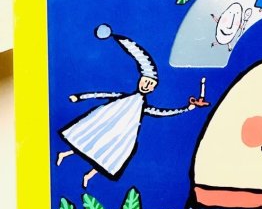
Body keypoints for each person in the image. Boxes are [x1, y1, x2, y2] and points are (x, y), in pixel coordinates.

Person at [56, 24, 197, 187]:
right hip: (105, 121)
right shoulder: (123, 98)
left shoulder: (143, 107)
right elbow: (102, 94)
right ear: (140, 80)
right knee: (90, 138)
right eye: (145, 81)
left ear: (153, 88)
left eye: (151, 84)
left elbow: (161, 112)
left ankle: (88, 175)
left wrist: (187, 108)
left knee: (110, 153)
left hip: (122, 134)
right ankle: (64, 154)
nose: (146, 85)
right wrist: (80, 97)